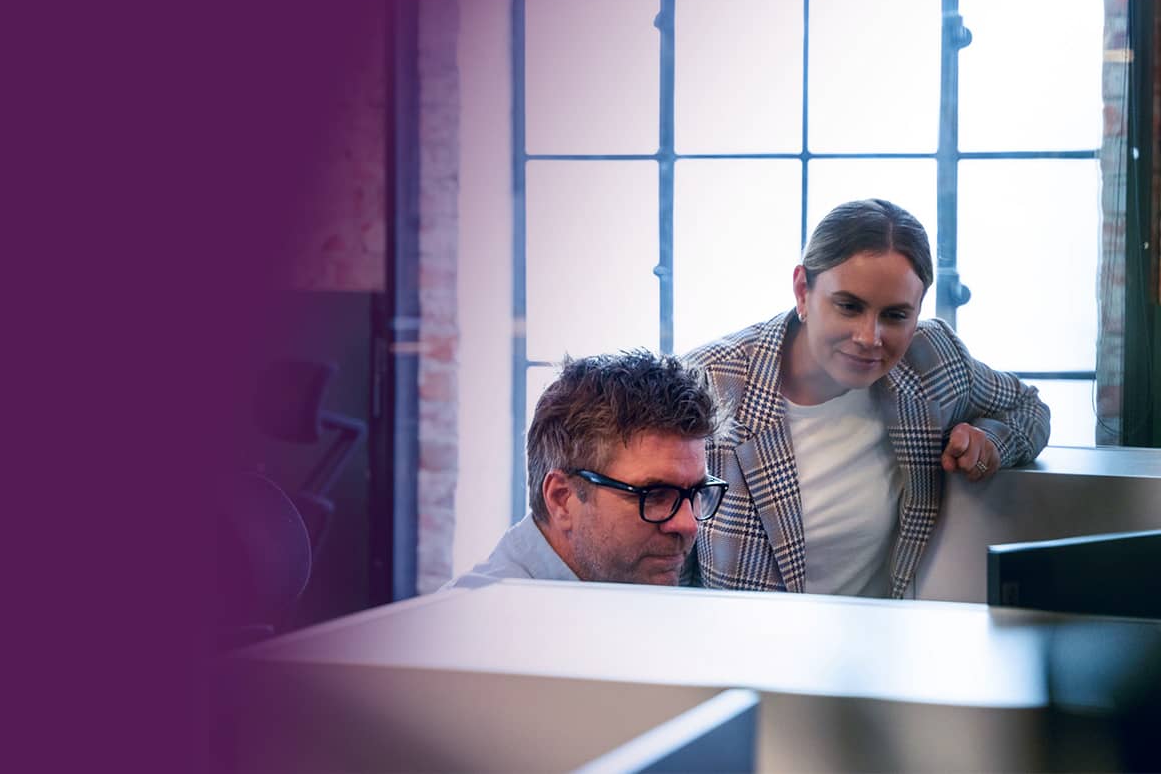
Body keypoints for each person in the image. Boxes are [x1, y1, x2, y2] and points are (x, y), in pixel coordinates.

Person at [685, 198, 1050, 599]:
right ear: (803, 291)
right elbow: (659, 567)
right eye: (848, 306)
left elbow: (1028, 409)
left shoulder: (929, 360)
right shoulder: (707, 384)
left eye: (895, 315)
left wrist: (989, 443)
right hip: (737, 637)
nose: (869, 338)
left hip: (881, 633)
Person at [446, 349, 726, 588]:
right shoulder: (482, 626)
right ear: (561, 498)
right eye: (655, 495)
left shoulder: (617, 594)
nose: (688, 524)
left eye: (697, 492)